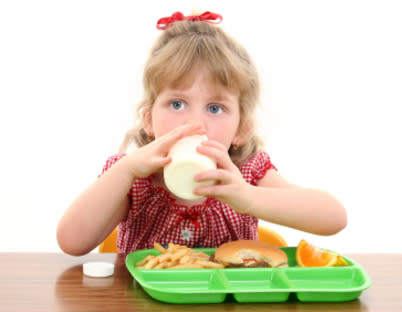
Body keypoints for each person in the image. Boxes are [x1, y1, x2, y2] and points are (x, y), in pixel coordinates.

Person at [57, 11, 347, 256]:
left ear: (242, 129)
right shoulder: (134, 178)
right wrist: (126, 170)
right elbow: (72, 242)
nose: (195, 123)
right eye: (177, 104)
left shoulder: (246, 173)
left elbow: (333, 217)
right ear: (148, 119)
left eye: (215, 108)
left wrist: (247, 196)